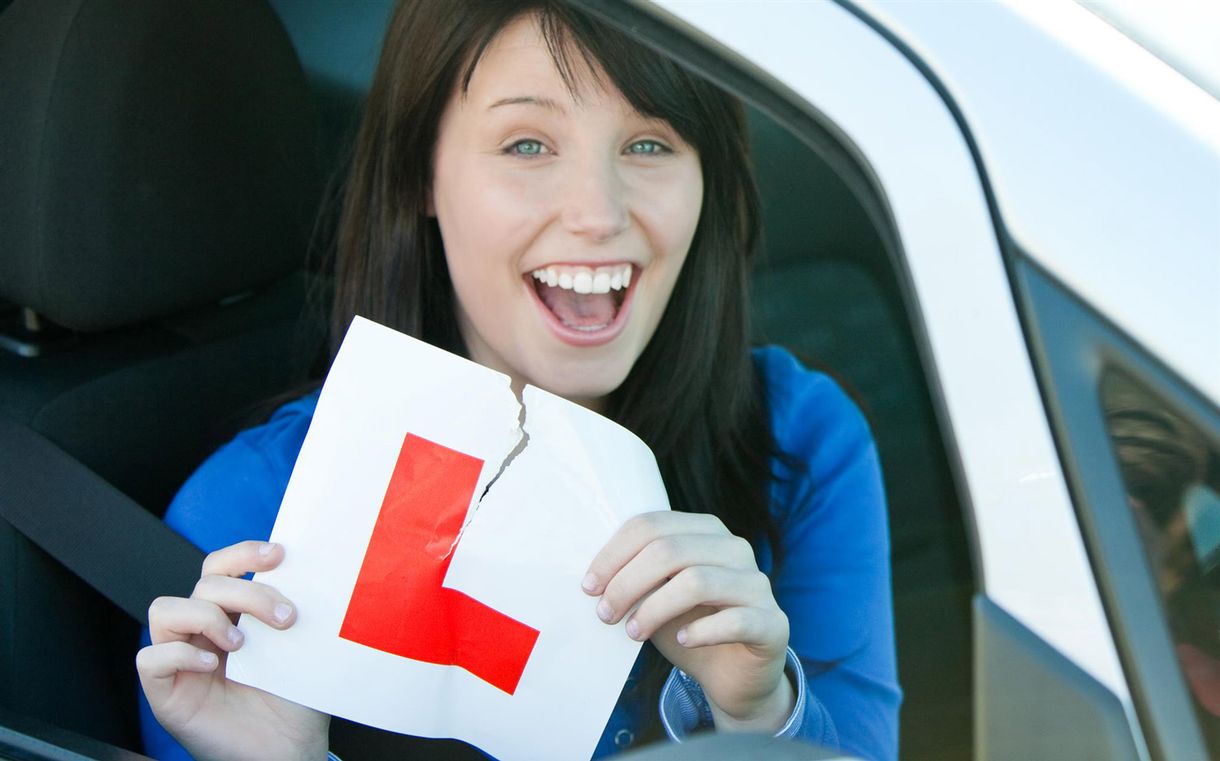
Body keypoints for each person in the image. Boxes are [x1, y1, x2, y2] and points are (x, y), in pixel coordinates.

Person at [134, 1, 901, 759]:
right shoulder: (250, 523)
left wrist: (763, 714)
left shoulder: (795, 436)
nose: (598, 213)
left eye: (648, 143)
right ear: (418, 180)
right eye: (528, 145)